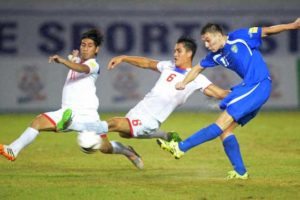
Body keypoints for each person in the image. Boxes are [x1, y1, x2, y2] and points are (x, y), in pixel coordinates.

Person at [157, 18, 300, 179]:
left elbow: (268, 30)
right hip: (251, 88)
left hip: (257, 84)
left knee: (220, 122)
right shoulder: (215, 55)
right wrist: (184, 82)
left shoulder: (240, 36)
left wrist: (293, 26)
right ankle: (240, 172)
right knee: (225, 131)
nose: (206, 45)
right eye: (204, 42)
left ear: (218, 35)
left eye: (208, 40)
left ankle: (181, 147)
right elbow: (197, 68)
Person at [0, 29, 143, 169]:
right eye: (83, 45)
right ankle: (13, 149)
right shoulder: (79, 61)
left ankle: (126, 151)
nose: (85, 48)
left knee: (104, 148)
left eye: (90, 46)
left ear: (96, 49)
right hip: (68, 112)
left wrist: (63, 60)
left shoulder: (93, 64)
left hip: (88, 116)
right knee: (38, 121)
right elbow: (78, 63)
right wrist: (74, 57)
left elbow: (81, 68)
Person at [76, 36, 229, 147]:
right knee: (124, 134)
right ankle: (165, 135)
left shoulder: (196, 77)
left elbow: (220, 94)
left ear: (189, 54)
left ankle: (78, 126)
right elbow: (147, 63)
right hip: (140, 109)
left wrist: (249, 92)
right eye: (174, 50)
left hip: (150, 119)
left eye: (179, 51)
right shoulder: (168, 65)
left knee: (114, 123)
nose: (175, 54)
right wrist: (124, 57)